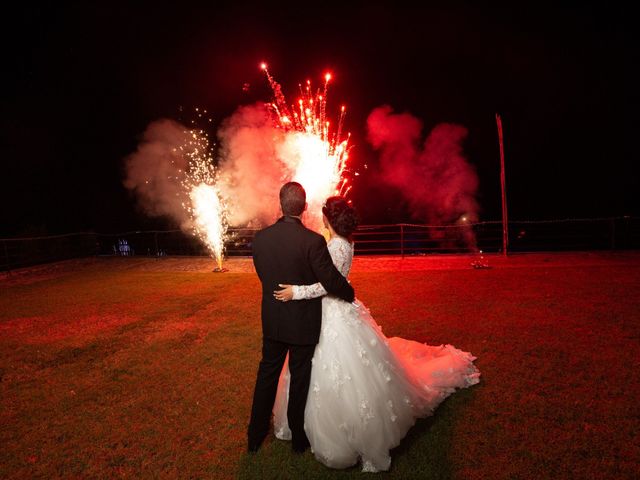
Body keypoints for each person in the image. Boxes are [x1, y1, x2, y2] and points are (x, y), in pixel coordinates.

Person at [273, 196, 480, 472]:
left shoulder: (335, 245)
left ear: (327, 219)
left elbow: (328, 285)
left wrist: (296, 291)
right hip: (342, 310)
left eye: (323, 216)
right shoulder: (346, 242)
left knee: (333, 369)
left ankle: (343, 434)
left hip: (331, 313)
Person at [248, 182, 355, 454]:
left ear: (279, 204)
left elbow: (264, 275)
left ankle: (255, 434)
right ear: (305, 208)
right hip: (303, 323)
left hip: (273, 319)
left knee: (267, 376)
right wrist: (348, 291)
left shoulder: (260, 239)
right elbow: (330, 279)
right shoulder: (313, 241)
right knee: (300, 379)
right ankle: (298, 437)